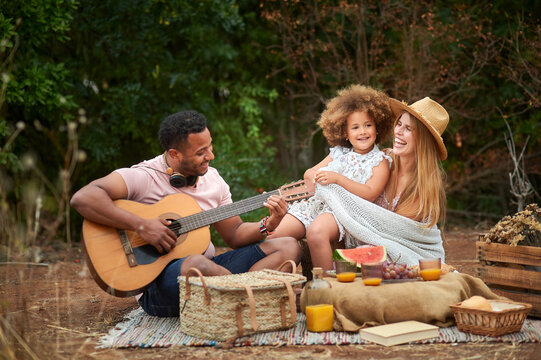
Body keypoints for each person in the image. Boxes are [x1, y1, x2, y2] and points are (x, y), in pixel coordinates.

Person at [70, 111, 301, 317]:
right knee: (197, 264)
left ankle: (238, 297)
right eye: (201, 152)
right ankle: (252, 297)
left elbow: (235, 234)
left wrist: (269, 224)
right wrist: (142, 226)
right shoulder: (144, 176)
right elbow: (83, 198)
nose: (210, 156)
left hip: (212, 275)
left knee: (289, 246)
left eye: (210, 146)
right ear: (174, 154)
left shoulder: (213, 180)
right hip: (160, 287)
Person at [268, 85, 395, 270]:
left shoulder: (379, 161)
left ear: (377, 128)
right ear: (345, 132)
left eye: (368, 125)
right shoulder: (339, 153)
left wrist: (338, 179)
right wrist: (313, 176)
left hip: (344, 211)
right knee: (275, 236)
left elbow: (370, 194)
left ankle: (325, 286)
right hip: (316, 206)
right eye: (355, 127)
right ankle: (272, 283)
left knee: (316, 233)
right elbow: (309, 173)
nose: (363, 132)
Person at [313, 96, 450, 266]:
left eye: (408, 129)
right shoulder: (381, 161)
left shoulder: (427, 185)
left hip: (402, 249)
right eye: (399, 124)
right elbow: (349, 191)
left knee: (355, 263)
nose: (398, 132)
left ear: (423, 140)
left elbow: (392, 231)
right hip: (363, 242)